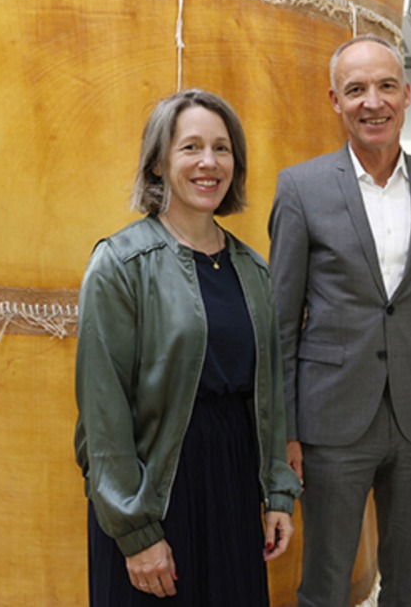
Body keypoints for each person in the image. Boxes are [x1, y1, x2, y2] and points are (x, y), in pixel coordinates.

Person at [268, 35, 411, 607]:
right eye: (356, 89)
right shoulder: (301, 188)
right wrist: (285, 429)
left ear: (406, 94)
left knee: (410, 584)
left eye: (385, 86)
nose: (373, 102)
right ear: (335, 100)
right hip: (330, 417)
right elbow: (279, 322)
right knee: (327, 583)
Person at [74, 88, 301, 606]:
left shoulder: (252, 269)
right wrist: (137, 532)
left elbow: (268, 395)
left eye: (222, 148)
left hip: (233, 478)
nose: (209, 163)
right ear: (158, 163)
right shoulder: (120, 264)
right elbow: (103, 417)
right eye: (191, 147)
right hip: (155, 488)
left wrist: (277, 493)